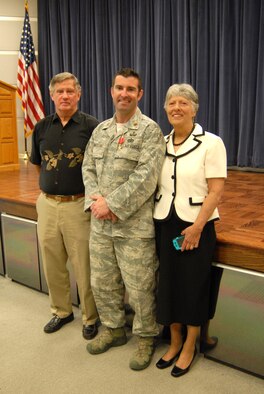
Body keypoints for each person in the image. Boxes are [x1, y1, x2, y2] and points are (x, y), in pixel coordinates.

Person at [82, 67, 166, 371]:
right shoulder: (100, 130)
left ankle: (146, 337)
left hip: (133, 227)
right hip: (100, 224)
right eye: (119, 87)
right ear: (111, 91)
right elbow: (87, 169)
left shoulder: (149, 131)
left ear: (140, 94)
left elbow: (146, 178)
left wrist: (112, 204)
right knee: (103, 282)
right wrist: (96, 201)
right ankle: (114, 329)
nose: (124, 93)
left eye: (131, 89)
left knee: (141, 286)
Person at [153, 83, 226, 377]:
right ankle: (175, 340)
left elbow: (216, 190)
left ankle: (190, 346)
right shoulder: (160, 142)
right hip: (165, 221)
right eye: (171, 103)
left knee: (193, 287)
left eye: (184, 103)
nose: (176, 108)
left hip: (197, 224)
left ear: (195, 109)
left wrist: (197, 227)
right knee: (168, 283)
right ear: (165, 109)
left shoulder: (211, 142)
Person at [30, 72, 99, 340]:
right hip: (47, 205)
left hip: (78, 204)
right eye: (60, 91)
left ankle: (90, 316)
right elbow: (37, 162)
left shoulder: (92, 127)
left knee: (84, 264)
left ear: (79, 94)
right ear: (52, 95)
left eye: (70, 91)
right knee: (52, 262)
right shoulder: (41, 127)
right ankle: (61, 311)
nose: (65, 96)